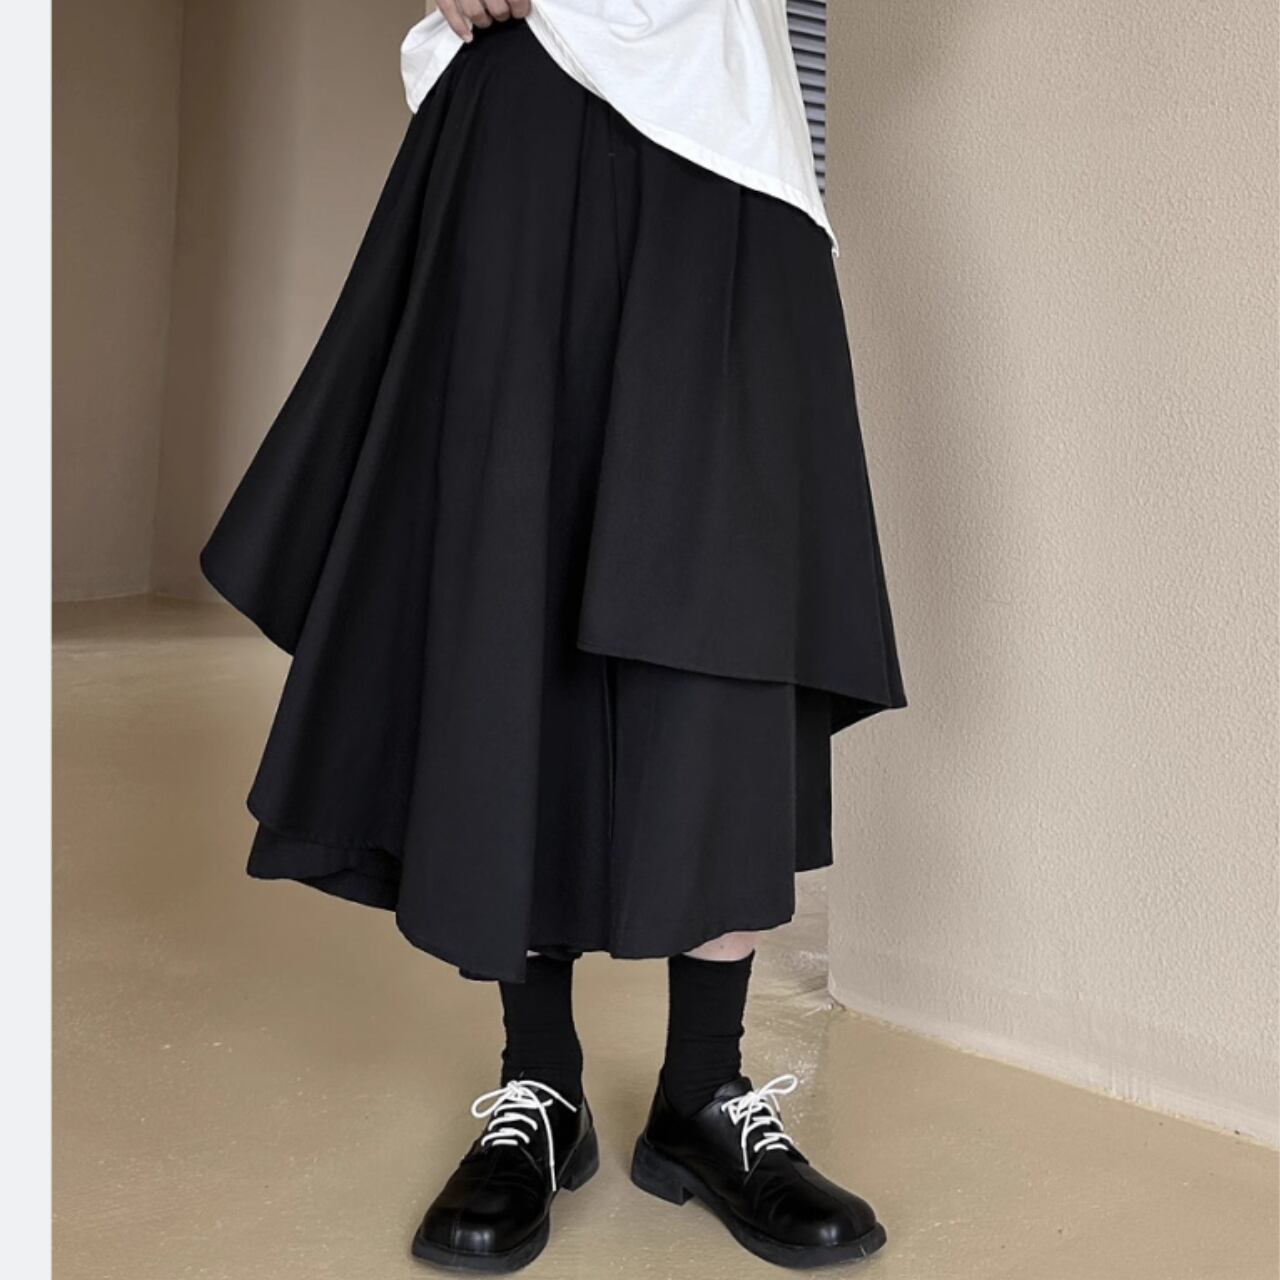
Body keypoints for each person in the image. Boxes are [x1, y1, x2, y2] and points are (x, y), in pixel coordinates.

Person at [200, 0, 906, 1270]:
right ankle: (539, 1082)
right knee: (507, 581)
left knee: (727, 597)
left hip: (729, 129)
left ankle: (702, 1091)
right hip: (527, 103)